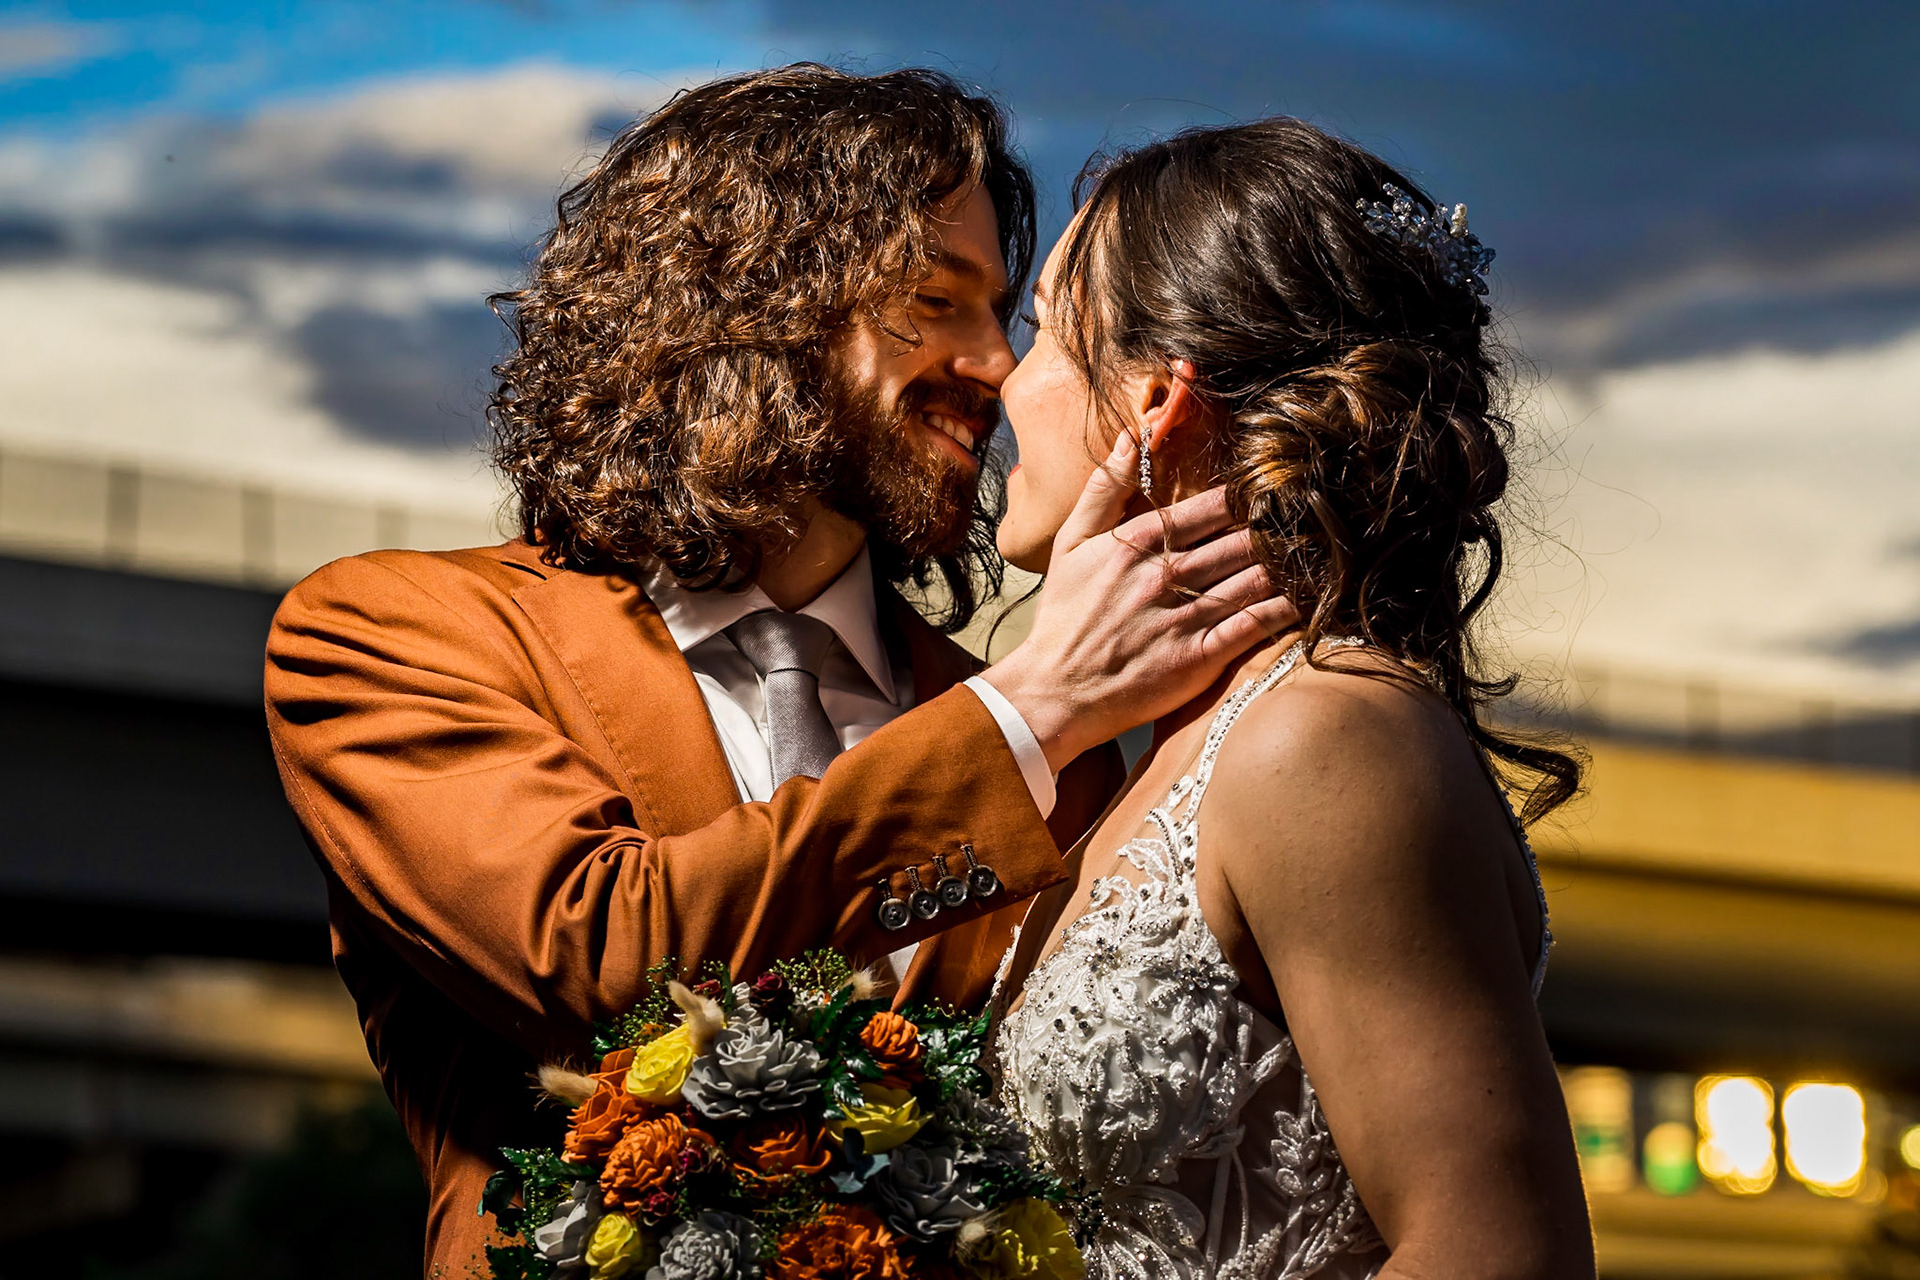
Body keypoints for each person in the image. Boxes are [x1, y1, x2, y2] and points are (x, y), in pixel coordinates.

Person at [262, 66, 1294, 1275]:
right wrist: (1031, 706)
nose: (999, 368)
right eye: (935, 300)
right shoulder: (394, 633)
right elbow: (599, 963)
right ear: (748, 304)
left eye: (1003, 316)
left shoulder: (1074, 766)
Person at [991, 119, 1595, 1278]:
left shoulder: (1324, 735)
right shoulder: (1153, 749)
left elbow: (1497, 1249)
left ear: (1161, 399)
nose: (1005, 380)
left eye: (1039, 335)